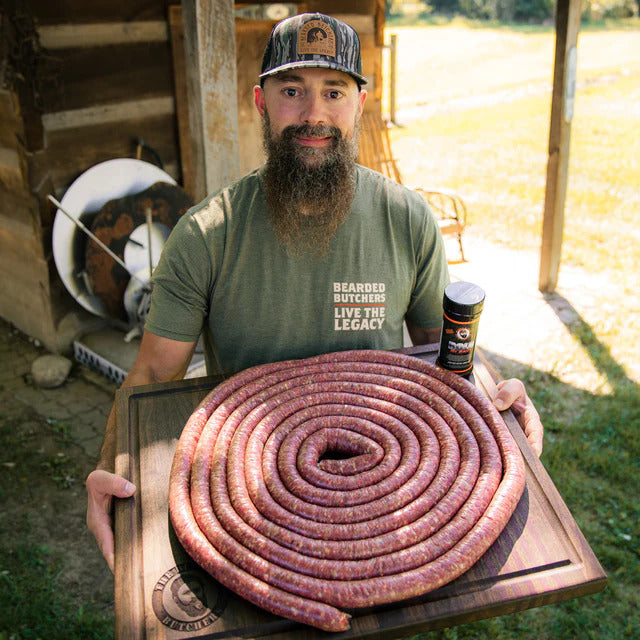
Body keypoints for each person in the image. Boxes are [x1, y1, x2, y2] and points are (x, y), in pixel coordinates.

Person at [86, 12, 544, 572]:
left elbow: (443, 357)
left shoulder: (408, 220)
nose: (314, 114)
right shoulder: (206, 235)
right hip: (250, 497)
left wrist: (497, 401)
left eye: (334, 90)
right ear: (260, 102)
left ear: (360, 102)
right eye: (291, 90)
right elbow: (154, 377)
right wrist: (114, 463)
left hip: (384, 490)